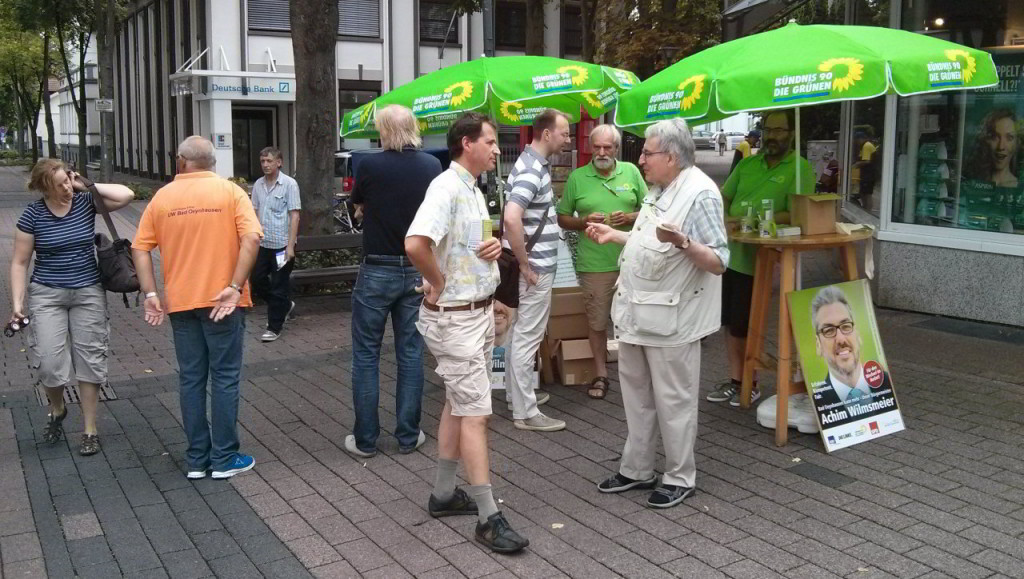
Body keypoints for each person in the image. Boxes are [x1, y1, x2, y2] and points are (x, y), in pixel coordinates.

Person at [586, 118, 728, 508]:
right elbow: (650, 240)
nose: (641, 160)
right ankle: (637, 468)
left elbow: (718, 260)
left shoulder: (701, 194)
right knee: (637, 397)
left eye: (647, 153)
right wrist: (616, 236)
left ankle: (681, 475)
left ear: (671, 155)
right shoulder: (659, 188)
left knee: (674, 401)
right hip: (636, 313)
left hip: (672, 319)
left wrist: (683, 242)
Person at [405, 112, 530, 552]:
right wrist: (438, 284)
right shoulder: (445, 189)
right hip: (455, 318)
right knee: (477, 414)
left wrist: (491, 265)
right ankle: (487, 516)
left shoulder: (471, 189)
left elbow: (465, 248)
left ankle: (443, 494)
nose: (498, 150)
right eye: (492, 142)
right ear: (466, 143)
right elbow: (415, 243)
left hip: (473, 314)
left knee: (460, 405)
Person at [132, 136, 263, 480]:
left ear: (180, 161)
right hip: (223, 302)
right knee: (224, 377)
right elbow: (252, 238)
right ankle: (224, 458)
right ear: (213, 163)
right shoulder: (231, 193)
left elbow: (140, 247)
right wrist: (234, 287)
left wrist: (150, 293)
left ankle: (196, 459)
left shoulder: (162, 197)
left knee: (191, 378)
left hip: (180, 302)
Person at [8, 160, 134, 456]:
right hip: (47, 295)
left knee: (90, 360)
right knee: (50, 364)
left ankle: (89, 429)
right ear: (43, 187)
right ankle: (58, 407)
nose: (66, 188)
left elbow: (126, 194)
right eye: (60, 184)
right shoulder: (33, 215)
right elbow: (19, 262)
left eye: (68, 181)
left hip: (88, 292)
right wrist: (17, 303)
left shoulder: (85, 203)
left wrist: (85, 185)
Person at [344, 105, 442, 458]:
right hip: (418, 268)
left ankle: (366, 440)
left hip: (377, 268)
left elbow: (358, 205)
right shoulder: (432, 166)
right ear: (414, 128)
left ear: (383, 130)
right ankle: (407, 435)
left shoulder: (368, 164)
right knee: (411, 353)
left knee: (367, 355)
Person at [707, 109, 815, 407]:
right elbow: (724, 196)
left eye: (780, 130)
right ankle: (737, 380)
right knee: (731, 321)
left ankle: (751, 383)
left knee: (748, 322)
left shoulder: (799, 168)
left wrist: (756, 219)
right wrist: (728, 217)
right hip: (732, 252)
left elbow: (798, 210)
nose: (772, 136)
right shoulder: (748, 163)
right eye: (768, 129)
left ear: (792, 133)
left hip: (766, 258)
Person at [556, 124, 647, 399]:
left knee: (638, 320)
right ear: (591, 149)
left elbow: (652, 209)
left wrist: (631, 218)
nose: (602, 152)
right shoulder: (577, 178)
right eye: (597, 147)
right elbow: (562, 217)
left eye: (608, 147)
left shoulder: (631, 172)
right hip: (594, 263)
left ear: (616, 149)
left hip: (632, 259)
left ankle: (638, 376)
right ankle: (600, 373)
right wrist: (583, 221)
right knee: (596, 322)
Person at [502, 109, 571, 432]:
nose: (568, 139)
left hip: (532, 267)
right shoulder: (533, 170)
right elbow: (512, 217)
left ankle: (519, 399)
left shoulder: (529, 165)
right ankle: (526, 413)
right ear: (546, 134)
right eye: (564, 133)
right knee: (526, 339)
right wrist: (526, 265)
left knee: (520, 336)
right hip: (535, 270)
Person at [808, 286, 893, 424]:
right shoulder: (818, 402)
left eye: (846, 326)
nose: (841, 339)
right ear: (818, 345)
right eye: (828, 330)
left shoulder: (887, 384)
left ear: (857, 335)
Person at [249, 146, 301, 342]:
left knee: (279, 285)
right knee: (258, 279)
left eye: (269, 161)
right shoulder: (258, 185)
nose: (265, 165)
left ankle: (274, 326)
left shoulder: (289, 184)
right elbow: (253, 211)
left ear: (278, 162)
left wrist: (290, 246)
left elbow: (294, 216)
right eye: (262, 161)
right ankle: (284, 306)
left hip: (281, 245)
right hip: (263, 243)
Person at [965, 108, 1019, 188]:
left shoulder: (1020, 188)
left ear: (1017, 143)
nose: (1001, 146)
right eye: (994, 137)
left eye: (1009, 138)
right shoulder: (972, 183)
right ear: (986, 140)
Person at [851, 128, 878, 207]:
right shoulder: (865, 146)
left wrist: (856, 164)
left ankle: (868, 210)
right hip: (867, 174)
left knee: (867, 194)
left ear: (861, 139)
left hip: (869, 174)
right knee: (863, 193)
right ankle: (865, 208)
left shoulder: (866, 146)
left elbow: (867, 161)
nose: (857, 143)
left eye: (857, 140)